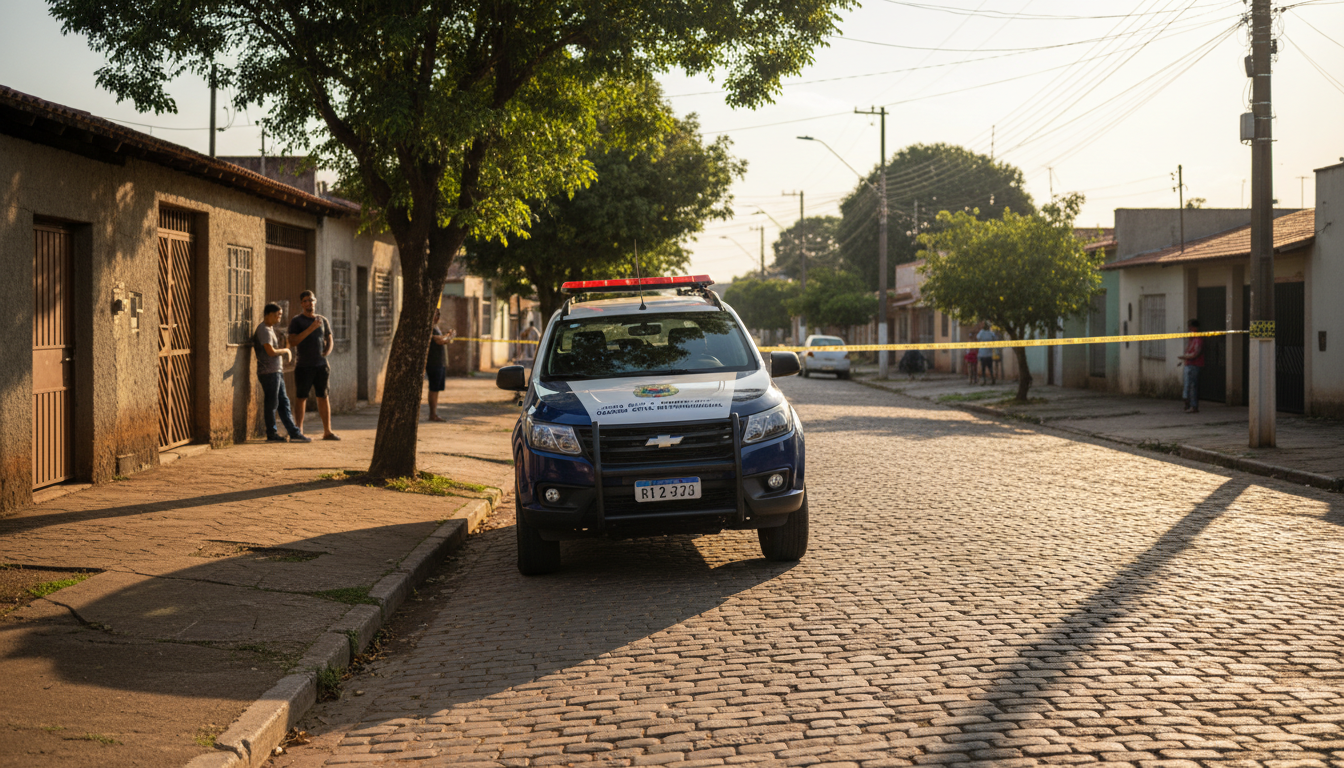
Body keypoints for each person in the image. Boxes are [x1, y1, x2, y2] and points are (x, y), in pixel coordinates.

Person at [253, 303, 310, 443]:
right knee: (272, 404)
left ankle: (294, 433)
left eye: (280, 314)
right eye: (277, 314)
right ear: (268, 314)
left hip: (276, 372)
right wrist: (286, 351)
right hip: (268, 373)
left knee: (283, 402)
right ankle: (272, 434)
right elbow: (270, 352)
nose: (280, 317)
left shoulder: (270, 329)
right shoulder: (264, 330)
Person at [287, 290, 340, 440]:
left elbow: (329, 338)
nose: (309, 303)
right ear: (301, 304)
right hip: (304, 366)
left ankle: (327, 431)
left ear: (315, 301)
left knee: (323, 396)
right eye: (305, 301)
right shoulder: (297, 321)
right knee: (301, 397)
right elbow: (292, 341)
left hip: (321, 365)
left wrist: (327, 350)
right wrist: (311, 328)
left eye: (311, 300)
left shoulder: (322, 320)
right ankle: (299, 431)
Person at [427, 309, 453, 422]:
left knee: (436, 389)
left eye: (438, 314)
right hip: (433, 363)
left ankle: (434, 413)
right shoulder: (429, 327)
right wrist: (450, 336)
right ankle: (432, 414)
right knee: (433, 388)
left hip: (439, 363)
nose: (437, 317)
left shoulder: (435, 327)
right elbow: (440, 340)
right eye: (435, 314)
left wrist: (448, 336)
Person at [1177, 318, 1205, 413]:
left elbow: (1195, 353)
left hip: (1194, 365)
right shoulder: (1191, 339)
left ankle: (1193, 406)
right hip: (1188, 364)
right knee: (1187, 385)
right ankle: (1188, 404)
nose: (1189, 328)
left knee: (1192, 386)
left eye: (1190, 326)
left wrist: (1185, 357)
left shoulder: (1198, 340)